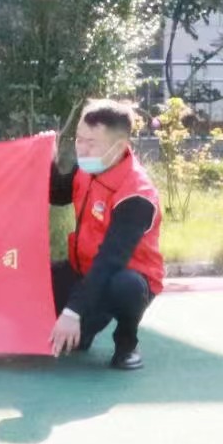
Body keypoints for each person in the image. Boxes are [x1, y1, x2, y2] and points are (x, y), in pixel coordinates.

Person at [48, 100, 164, 371]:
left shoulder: (136, 195)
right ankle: (83, 333)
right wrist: (48, 159)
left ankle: (127, 343)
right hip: (83, 269)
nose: (81, 148)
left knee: (126, 286)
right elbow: (58, 194)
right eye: (78, 139)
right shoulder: (88, 168)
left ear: (120, 146)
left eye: (91, 143)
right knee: (42, 288)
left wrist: (72, 311)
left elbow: (110, 261)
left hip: (122, 276)